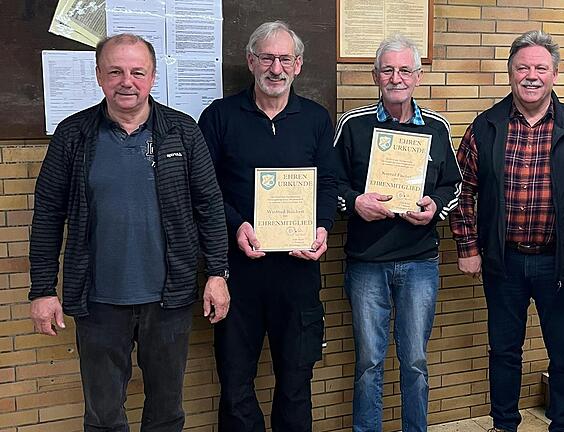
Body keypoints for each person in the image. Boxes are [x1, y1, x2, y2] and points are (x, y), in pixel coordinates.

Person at [28, 34, 230, 432]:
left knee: (167, 413)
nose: (127, 81)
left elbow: (209, 206)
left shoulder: (182, 132)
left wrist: (218, 274)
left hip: (168, 299)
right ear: (99, 76)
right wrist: (42, 289)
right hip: (99, 301)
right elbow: (48, 215)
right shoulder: (74, 135)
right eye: (116, 71)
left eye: (138, 72)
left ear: (153, 77)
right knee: (103, 416)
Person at [449, 30, 564, 432]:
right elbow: (461, 190)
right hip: (503, 264)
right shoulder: (485, 126)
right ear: (509, 73)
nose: (531, 75)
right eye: (522, 67)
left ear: (555, 74)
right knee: (504, 353)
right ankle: (504, 425)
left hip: (560, 266)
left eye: (540, 67)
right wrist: (467, 245)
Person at [198, 21, 336, 432]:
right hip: (237, 274)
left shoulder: (314, 118)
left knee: (296, 380)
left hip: (298, 271)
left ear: (298, 65)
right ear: (251, 61)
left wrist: (323, 227)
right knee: (236, 381)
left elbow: (327, 182)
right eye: (267, 58)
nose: (275, 68)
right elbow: (204, 190)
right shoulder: (220, 117)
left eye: (285, 59)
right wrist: (236, 223)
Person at [333, 35, 462, 432]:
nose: (396, 77)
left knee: (416, 362)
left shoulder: (437, 127)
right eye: (388, 69)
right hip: (367, 263)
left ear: (418, 77)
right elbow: (329, 183)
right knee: (369, 362)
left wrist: (434, 208)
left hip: (420, 261)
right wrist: (355, 202)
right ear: (375, 75)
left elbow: (453, 186)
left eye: (405, 69)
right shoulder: (353, 125)